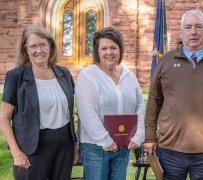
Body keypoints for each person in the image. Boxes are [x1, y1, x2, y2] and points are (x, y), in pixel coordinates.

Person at [144, 9, 203, 179]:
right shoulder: (166, 60)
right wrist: (150, 136)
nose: (193, 32)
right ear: (181, 32)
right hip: (170, 149)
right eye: (188, 27)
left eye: (198, 26)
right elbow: (154, 100)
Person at [0, 26, 77, 180]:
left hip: (64, 145)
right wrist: (16, 152)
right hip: (31, 147)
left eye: (43, 44)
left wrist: (74, 144)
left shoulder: (64, 73)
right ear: (26, 50)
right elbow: (3, 117)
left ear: (51, 46)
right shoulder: (16, 76)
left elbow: (69, 112)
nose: (39, 50)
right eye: (33, 46)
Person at [75, 27, 145, 180]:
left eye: (113, 47)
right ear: (97, 51)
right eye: (104, 48)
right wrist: (105, 141)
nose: (109, 52)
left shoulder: (129, 76)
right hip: (96, 148)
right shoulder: (88, 75)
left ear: (120, 50)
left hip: (124, 146)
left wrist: (139, 134)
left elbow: (139, 106)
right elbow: (87, 113)